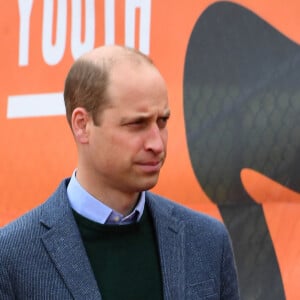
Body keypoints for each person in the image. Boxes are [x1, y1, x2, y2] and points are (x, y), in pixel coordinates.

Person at [0, 45, 240, 299]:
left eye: (162, 122)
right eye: (137, 124)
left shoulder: (207, 242)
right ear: (82, 125)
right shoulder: (12, 256)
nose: (157, 144)